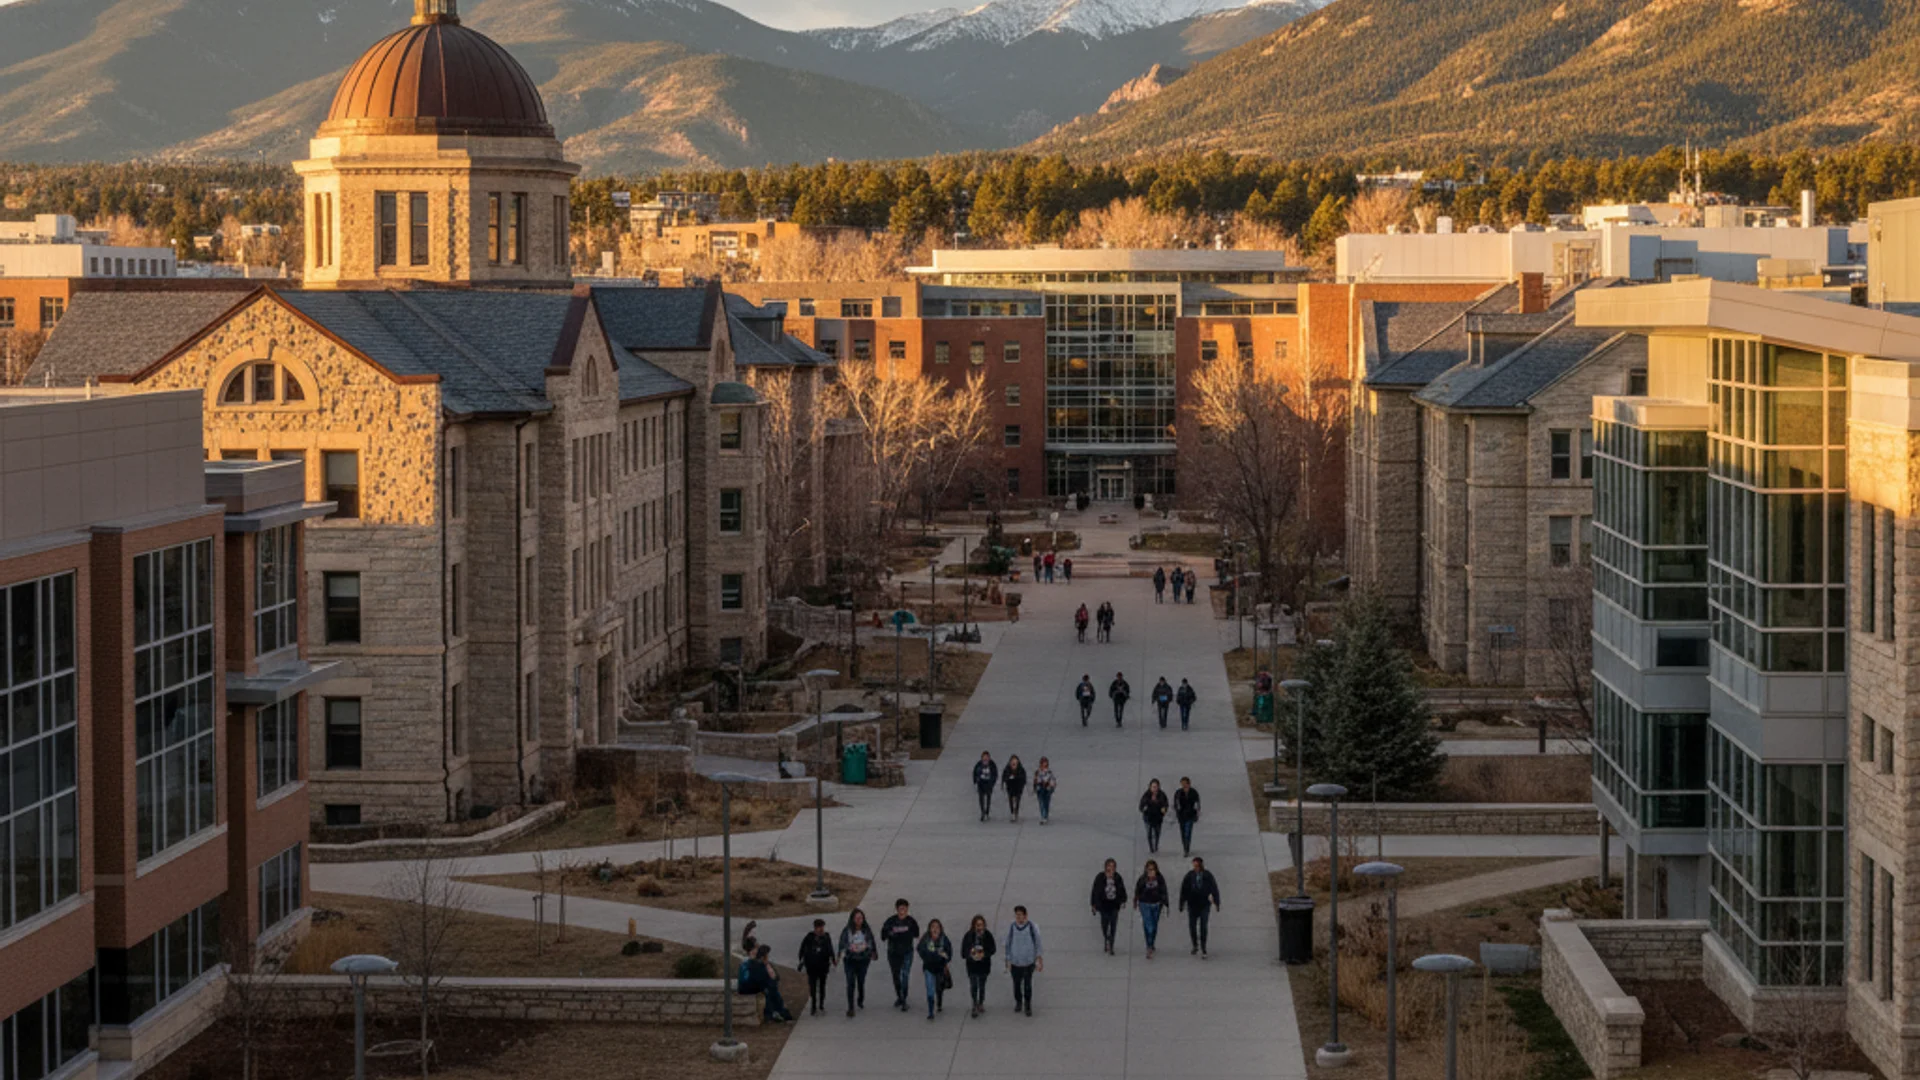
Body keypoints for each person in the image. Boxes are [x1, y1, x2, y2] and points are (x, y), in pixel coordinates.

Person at [881, 898, 921, 1010]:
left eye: (904, 908)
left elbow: (916, 934)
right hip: (893, 953)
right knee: (896, 976)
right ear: (897, 909)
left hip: (907, 952)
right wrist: (890, 933)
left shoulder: (911, 921)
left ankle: (904, 999)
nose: (902, 911)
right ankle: (899, 996)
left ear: (907, 909)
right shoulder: (890, 921)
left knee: (905, 975)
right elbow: (883, 936)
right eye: (900, 908)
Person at [1179, 856, 1222, 958]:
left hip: (1204, 904)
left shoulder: (1208, 875)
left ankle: (1203, 947)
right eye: (1194, 866)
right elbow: (1184, 890)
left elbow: (1214, 888)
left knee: (1203, 926)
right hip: (1192, 904)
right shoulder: (1189, 876)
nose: (1196, 868)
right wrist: (1182, 903)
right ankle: (1195, 944)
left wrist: (1217, 902)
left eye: (1197, 866)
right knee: (1192, 926)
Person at [1004, 905, 1043, 1017]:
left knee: (1027, 984)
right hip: (1015, 962)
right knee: (1016, 984)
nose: (1018, 917)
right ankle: (1018, 1002)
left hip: (1028, 962)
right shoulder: (1012, 927)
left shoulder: (1031, 927)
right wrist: (1008, 959)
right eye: (1017, 915)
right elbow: (1008, 943)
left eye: (1020, 915)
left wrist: (1039, 958)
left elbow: (1038, 943)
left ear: (1025, 916)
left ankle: (1028, 1004)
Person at [740, 944, 793, 1022]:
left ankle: (780, 1012)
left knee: (773, 992)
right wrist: (771, 979)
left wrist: (769, 969)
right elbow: (762, 980)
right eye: (767, 956)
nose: (768, 958)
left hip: (764, 986)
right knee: (771, 993)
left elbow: (776, 977)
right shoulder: (756, 965)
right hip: (752, 988)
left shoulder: (764, 964)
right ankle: (776, 1013)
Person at [839, 908, 876, 1016]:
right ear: (852, 919)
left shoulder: (866, 930)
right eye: (857, 918)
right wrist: (849, 948)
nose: (859, 920)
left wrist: (870, 950)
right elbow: (842, 943)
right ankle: (851, 1007)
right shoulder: (847, 931)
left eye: (861, 918)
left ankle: (860, 998)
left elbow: (871, 942)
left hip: (863, 960)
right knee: (850, 983)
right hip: (850, 960)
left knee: (860, 981)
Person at [798, 918, 837, 1016]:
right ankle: (813, 1005)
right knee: (813, 986)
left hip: (823, 966)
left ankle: (821, 1004)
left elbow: (830, 948)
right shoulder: (809, 937)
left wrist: (833, 959)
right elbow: (802, 948)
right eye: (819, 927)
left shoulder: (826, 937)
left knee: (822, 986)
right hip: (811, 967)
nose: (821, 929)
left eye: (822, 927)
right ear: (815, 928)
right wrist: (801, 959)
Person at [960, 914, 997, 1017]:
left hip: (984, 966)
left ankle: (981, 1001)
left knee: (982, 985)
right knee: (974, 985)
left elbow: (993, 949)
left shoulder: (987, 935)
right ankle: (974, 1004)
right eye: (977, 925)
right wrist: (970, 954)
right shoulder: (968, 936)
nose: (979, 927)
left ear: (984, 925)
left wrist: (984, 954)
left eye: (981, 925)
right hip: (972, 966)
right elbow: (963, 952)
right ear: (973, 925)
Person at [1090, 858, 1128, 955]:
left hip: (1114, 905)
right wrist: (1093, 904)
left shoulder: (1117, 878)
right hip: (1103, 905)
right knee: (1104, 925)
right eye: (1109, 866)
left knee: (1113, 926)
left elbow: (1121, 889)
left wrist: (1123, 900)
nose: (1110, 869)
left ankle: (1111, 945)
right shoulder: (1100, 877)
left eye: (1113, 867)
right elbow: (1095, 891)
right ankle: (1106, 938)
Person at [1134, 859, 1171, 960]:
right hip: (1145, 904)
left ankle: (1151, 942)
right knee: (1148, 925)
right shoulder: (1142, 879)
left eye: (1153, 869)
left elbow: (1164, 890)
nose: (1151, 871)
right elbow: (1138, 891)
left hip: (1156, 904)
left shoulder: (1159, 879)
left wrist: (1165, 903)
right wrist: (1136, 901)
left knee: (1153, 926)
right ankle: (1149, 947)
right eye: (1149, 869)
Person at [917, 918, 953, 1019]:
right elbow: (920, 949)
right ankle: (930, 1011)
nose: (935, 929)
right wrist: (931, 955)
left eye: (937, 927)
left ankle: (939, 1003)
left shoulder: (944, 939)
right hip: (929, 968)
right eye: (933, 927)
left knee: (939, 988)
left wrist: (945, 959)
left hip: (940, 968)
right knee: (930, 991)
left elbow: (949, 952)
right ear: (929, 929)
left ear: (941, 929)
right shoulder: (926, 938)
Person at [1139, 779, 1170, 854]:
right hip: (1148, 817)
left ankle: (1156, 845)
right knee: (1149, 833)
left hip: (1158, 818)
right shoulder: (1146, 795)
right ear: (1150, 787)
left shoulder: (1162, 795)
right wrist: (1144, 808)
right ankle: (1151, 848)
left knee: (1157, 833)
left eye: (1156, 787)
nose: (1155, 789)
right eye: (1153, 787)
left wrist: (1164, 809)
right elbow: (1141, 806)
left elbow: (1165, 804)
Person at [1173, 777, 1202, 856]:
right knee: (1183, 832)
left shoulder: (1193, 792)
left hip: (1190, 815)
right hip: (1181, 816)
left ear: (1189, 784)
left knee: (1188, 832)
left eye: (1185, 784)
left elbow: (1197, 803)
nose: (1184, 786)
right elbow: (1175, 803)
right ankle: (1185, 846)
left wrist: (1197, 813)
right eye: (1182, 784)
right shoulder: (1178, 793)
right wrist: (1177, 811)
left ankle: (1187, 848)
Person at [973, 751, 998, 822]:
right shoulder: (978, 764)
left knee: (988, 798)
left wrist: (992, 783)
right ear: (981, 758)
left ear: (989, 758)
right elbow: (974, 773)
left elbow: (995, 774)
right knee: (981, 798)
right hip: (981, 784)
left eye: (987, 757)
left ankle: (987, 812)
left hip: (988, 784)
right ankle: (982, 812)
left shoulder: (992, 764)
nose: (985, 758)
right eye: (984, 757)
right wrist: (975, 781)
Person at [1002, 754, 1028, 822]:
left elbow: (1024, 778)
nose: (1014, 762)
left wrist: (1017, 778)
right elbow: (1004, 777)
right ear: (1010, 762)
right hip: (1010, 787)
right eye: (1012, 761)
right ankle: (1012, 813)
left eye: (1015, 761)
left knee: (1018, 799)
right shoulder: (1007, 769)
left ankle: (1016, 812)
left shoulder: (1021, 769)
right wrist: (1007, 780)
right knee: (1010, 799)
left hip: (1018, 787)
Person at [1032, 758, 1057, 824]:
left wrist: (1050, 786)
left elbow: (1053, 781)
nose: (1043, 766)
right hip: (1040, 790)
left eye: (1045, 764)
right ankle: (1043, 816)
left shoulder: (1049, 772)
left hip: (1047, 790)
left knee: (1046, 803)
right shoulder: (1037, 772)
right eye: (1042, 764)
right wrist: (1036, 786)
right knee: (1041, 803)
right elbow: (1035, 781)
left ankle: (1045, 816)